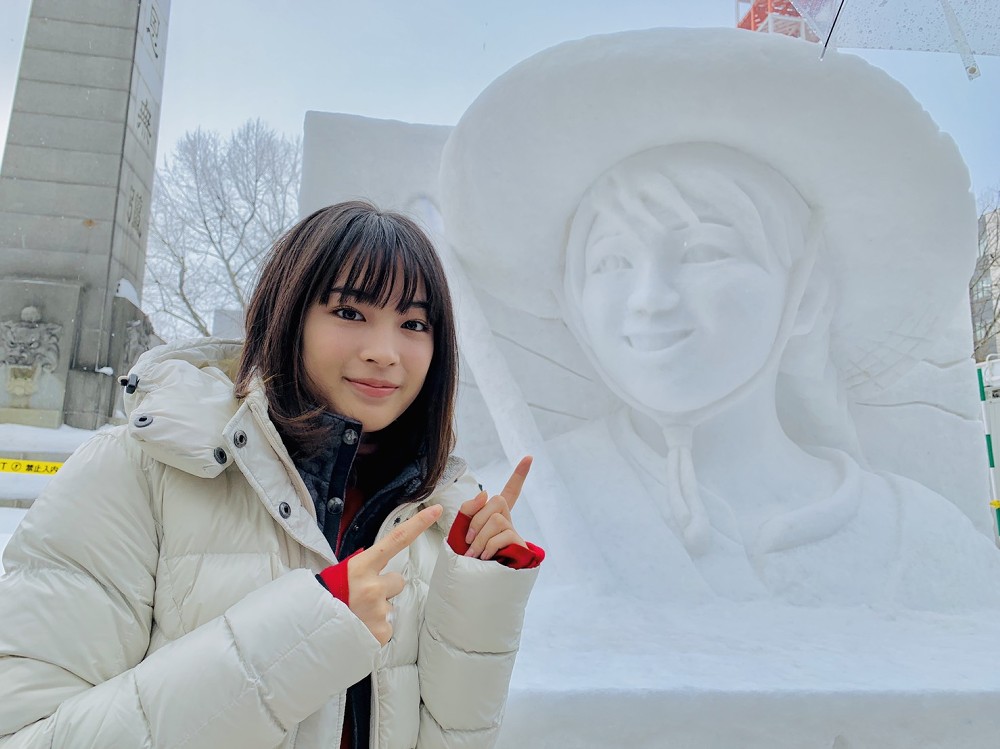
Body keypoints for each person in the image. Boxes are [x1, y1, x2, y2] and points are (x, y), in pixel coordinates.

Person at [439, 27, 1000, 610]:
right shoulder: (512, 515)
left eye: (705, 252)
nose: (650, 298)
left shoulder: (928, 543)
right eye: (611, 260)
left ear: (805, 296)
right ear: (572, 303)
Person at [0, 201, 543, 748]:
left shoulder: (434, 516)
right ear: (288, 316)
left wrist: (476, 596)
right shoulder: (142, 470)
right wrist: (308, 634)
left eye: (414, 323)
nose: (384, 352)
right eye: (350, 312)